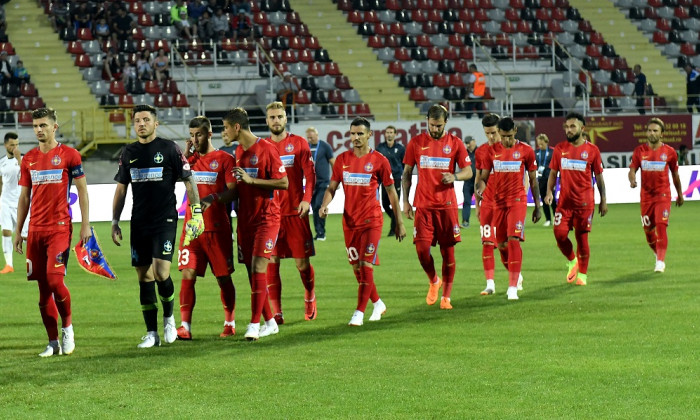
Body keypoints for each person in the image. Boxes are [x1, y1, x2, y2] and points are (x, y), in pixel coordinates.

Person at [112, 104, 204, 348]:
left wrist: (195, 212)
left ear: (155, 123)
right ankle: (151, 333)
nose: (141, 124)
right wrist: (114, 220)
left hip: (164, 220)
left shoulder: (169, 148)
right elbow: (121, 188)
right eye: (137, 120)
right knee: (144, 277)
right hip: (139, 222)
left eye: (145, 119)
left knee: (162, 272)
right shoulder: (128, 152)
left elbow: (188, 179)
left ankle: (169, 318)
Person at [203, 107, 288, 341]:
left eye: (225, 128)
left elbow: (283, 182)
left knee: (260, 267)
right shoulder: (239, 151)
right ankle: (270, 322)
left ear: (237, 127)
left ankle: (253, 324)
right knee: (252, 273)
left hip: (267, 218)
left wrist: (252, 180)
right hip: (245, 220)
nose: (223, 132)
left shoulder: (267, 149)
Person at [14, 107, 91, 357]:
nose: (38, 130)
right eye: (35, 126)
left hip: (59, 228)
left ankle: (67, 327)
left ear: (54, 127)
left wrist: (85, 224)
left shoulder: (70, 155)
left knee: (55, 280)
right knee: (42, 289)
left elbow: (82, 191)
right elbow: (24, 196)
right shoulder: (28, 159)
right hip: (35, 230)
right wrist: (19, 231)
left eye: (43, 125)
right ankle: (52, 341)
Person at [319, 117, 406, 326]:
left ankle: (358, 312)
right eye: (352, 133)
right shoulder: (342, 160)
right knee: (357, 268)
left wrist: (399, 221)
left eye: (360, 134)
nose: (356, 137)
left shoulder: (379, 161)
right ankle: (377, 303)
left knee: (366, 265)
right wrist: (324, 204)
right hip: (349, 222)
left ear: (369, 135)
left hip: (372, 220)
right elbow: (332, 188)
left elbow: (391, 192)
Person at [402, 104, 472, 309]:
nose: (435, 129)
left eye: (439, 125)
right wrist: (405, 201)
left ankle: (446, 297)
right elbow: (406, 174)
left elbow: (469, 171)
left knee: (447, 253)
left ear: (446, 123)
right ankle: (434, 280)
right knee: (422, 251)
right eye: (432, 125)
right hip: (423, 206)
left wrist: (455, 176)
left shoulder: (455, 143)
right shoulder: (415, 143)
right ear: (427, 121)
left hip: (447, 206)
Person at [176, 116, 237, 340]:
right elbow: (175, 175)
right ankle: (185, 326)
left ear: (209, 134)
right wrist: (186, 152)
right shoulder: (189, 161)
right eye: (191, 135)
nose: (195, 139)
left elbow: (233, 190)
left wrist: (214, 197)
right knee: (187, 274)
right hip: (192, 229)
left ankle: (230, 322)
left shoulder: (225, 159)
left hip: (217, 228)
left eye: (198, 134)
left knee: (223, 278)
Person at [264, 101, 318, 324]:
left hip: (296, 213)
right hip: (271, 216)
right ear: (267, 121)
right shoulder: (261, 146)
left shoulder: (298, 143)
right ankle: (277, 312)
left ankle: (309, 296)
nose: (276, 120)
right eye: (272, 117)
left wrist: (307, 200)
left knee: (301, 264)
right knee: (272, 262)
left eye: (280, 116)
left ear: (286, 119)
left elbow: (310, 175)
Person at [475, 117, 540, 300]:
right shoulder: (491, 151)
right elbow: (484, 177)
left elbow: (533, 180)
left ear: (515, 132)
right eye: (503, 137)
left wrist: (537, 206)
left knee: (513, 240)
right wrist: (480, 190)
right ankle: (516, 276)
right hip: (498, 204)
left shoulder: (526, 151)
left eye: (509, 136)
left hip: (517, 201)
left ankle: (512, 287)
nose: (506, 141)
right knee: (502, 245)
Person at [545, 112, 608, 286]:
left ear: (582, 128)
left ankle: (583, 276)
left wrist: (603, 200)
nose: (569, 129)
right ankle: (573, 260)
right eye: (567, 126)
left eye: (573, 126)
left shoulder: (592, 150)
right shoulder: (559, 148)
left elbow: (599, 177)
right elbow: (553, 173)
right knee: (559, 235)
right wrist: (549, 192)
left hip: (584, 204)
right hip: (564, 203)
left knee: (582, 238)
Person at [628, 118, 684, 273]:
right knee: (648, 231)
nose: (651, 133)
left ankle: (660, 261)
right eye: (649, 130)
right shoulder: (639, 151)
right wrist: (632, 180)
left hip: (663, 196)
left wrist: (679, 194)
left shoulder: (670, 152)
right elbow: (632, 169)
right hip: (646, 198)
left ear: (662, 135)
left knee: (661, 225)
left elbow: (675, 175)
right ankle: (657, 253)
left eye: (655, 131)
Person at [0, 132, 28, 274]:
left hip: (20, 201)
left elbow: (27, 176)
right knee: (5, 231)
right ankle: (9, 265)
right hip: (5, 201)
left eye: (17, 144)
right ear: (5, 145)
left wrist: (18, 158)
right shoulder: (1, 162)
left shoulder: (24, 159)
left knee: (26, 236)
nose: (15, 147)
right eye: (12, 145)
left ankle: (36, 261)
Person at [376, 125, 405, 236]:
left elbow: (404, 163)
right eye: (387, 132)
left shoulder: (401, 148)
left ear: (395, 134)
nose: (389, 134)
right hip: (384, 179)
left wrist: (400, 173)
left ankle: (393, 230)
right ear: (385, 134)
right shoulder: (380, 148)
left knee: (394, 202)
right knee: (385, 204)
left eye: (391, 132)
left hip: (396, 178)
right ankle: (397, 220)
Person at [306, 126, 335, 241]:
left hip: (324, 182)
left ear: (317, 136)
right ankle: (318, 233)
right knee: (313, 207)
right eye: (308, 137)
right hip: (311, 183)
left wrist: (336, 179)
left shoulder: (324, 146)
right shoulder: (306, 147)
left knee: (319, 205)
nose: (310, 139)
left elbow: (333, 162)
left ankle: (322, 233)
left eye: (312, 137)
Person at [535, 133, 556, 227]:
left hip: (550, 178)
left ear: (546, 142)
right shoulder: (536, 153)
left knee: (552, 199)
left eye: (542, 144)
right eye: (539, 144)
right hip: (541, 179)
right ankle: (548, 219)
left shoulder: (553, 151)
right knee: (544, 199)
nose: (540, 145)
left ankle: (556, 217)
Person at [461, 136, 476, 228]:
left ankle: (490, 222)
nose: (468, 145)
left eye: (469, 142)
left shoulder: (480, 151)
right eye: (466, 143)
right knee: (466, 201)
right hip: (467, 181)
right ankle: (465, 221)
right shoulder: (464, 153)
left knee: (487, 202)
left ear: (474, 141)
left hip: (479, 181)